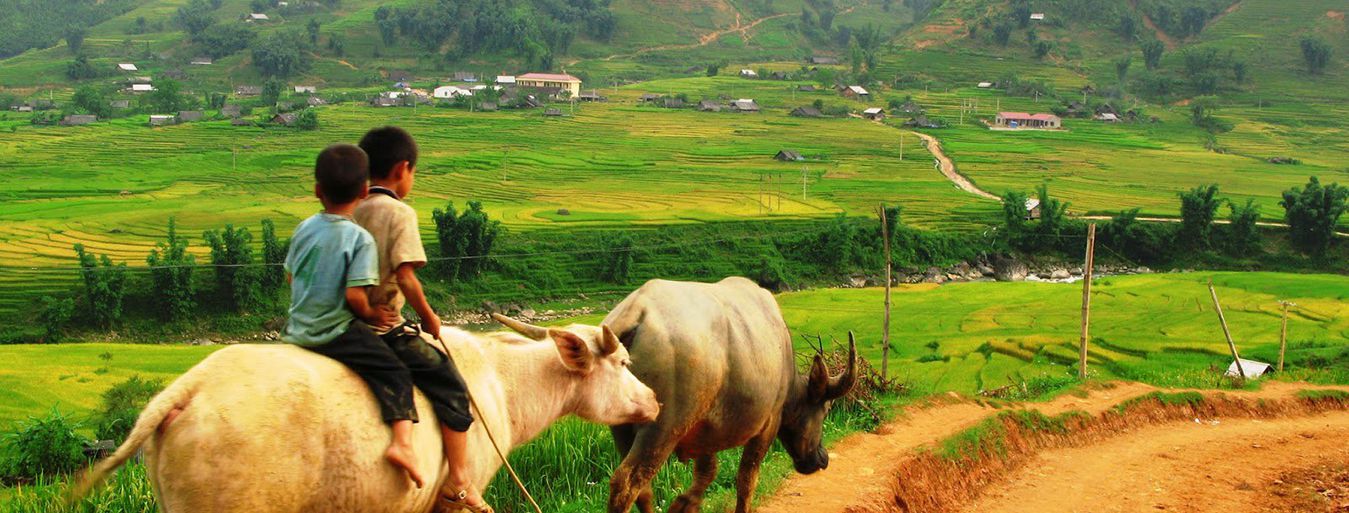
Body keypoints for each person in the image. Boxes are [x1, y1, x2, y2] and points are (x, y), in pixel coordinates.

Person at [354, 126, 491, 513]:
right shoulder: (398, 212)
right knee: (450, 384)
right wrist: (429, 318)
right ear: (402, 170)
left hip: (344, 324)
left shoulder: (351, 207)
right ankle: (461, 479)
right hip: (383, 328)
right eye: (413, 172)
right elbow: (406, 276)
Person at [282, 143, 426, 489]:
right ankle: (403, 444)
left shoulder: (304, 228)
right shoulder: (358, 238)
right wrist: (371, 313)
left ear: (318, 191)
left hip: (296, 328)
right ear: (364, 191)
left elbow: (290, 275)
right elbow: (353, 296)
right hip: (335, 332)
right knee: (395, 372)